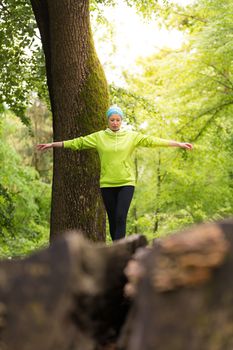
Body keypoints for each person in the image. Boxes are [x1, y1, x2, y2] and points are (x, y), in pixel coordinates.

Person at [37, 106, 193, 241]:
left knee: (120, 217)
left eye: (118, 120)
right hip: (107, 184)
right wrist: (53, 144)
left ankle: (121, 250)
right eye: (112, 120)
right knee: (112, 220)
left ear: (121, 120)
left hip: (126, 182)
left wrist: (178, 144)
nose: (115, 122)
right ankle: (117, 249)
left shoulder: (132, 136)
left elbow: (152, 141)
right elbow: (78, 142)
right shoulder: (99, 137)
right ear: (108, 121)